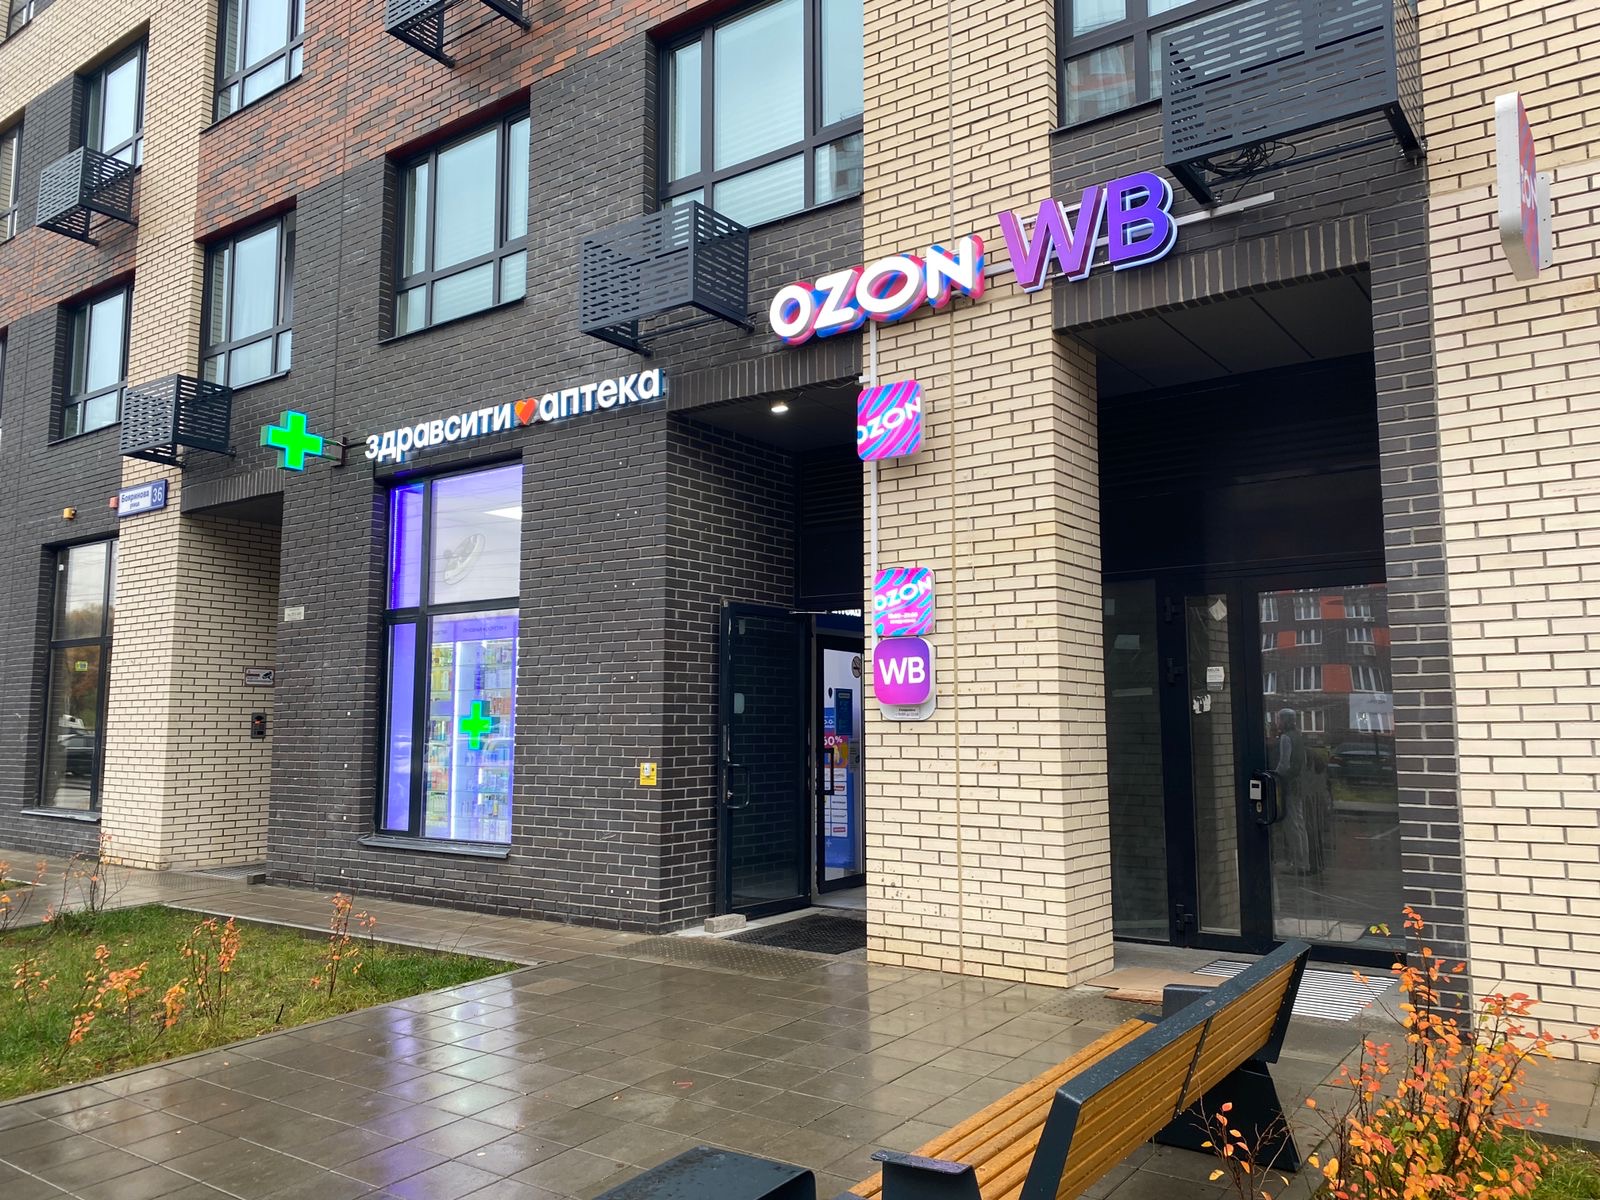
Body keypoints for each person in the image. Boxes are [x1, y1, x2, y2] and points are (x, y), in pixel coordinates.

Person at [1270, 708, 1322, 875]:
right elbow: (1303, 761)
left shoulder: (1286, 738)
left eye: (1278, 719)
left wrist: (1273, 777)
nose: (1277, 722)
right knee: (1300, 823)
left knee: (1292, 825)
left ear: (1284, 721)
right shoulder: (1299, 736)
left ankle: (1299, 864)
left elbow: (1284, 764)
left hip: (1289, 786)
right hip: (1300, 785)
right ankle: (1304, 862)